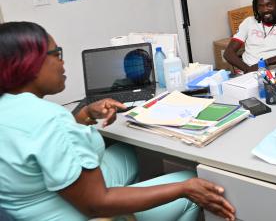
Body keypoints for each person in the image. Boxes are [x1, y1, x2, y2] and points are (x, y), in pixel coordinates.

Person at [0, 21, 235, 221]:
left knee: (127, 151)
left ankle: (133, 203)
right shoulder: (50, 118)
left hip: (31, 205)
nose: (63, 62)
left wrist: (84, 116)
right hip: (80, 210)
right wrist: (184, 189)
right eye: (56, 54)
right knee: (191, 180)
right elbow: (96, 203)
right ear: (28, 64)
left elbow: (43, 143)